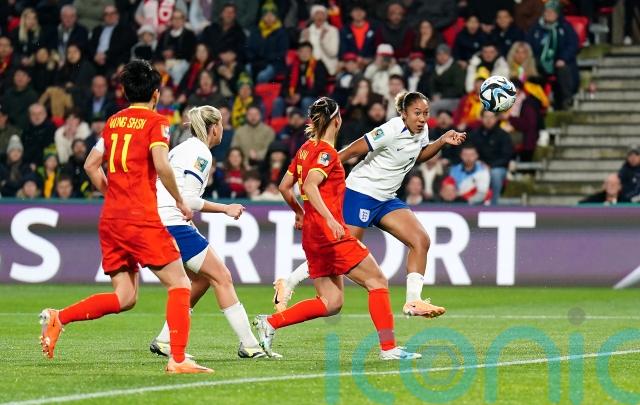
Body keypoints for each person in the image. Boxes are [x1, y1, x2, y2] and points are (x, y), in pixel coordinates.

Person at [38, 60, 212, 374]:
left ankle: (58, 317)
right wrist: (179, 200)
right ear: (156, 94)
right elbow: (162, 164)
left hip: (111, 219)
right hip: (140, 217)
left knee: (125, 297)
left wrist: (114, 195)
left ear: (125, 91)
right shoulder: (157, 122)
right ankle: (178, 359)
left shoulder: (113, 122)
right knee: (180, 283)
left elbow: (91, 165)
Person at [254, 97, 422, 360]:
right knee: (377, 281)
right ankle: (389, 348)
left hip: (312, 235)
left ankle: (270, 323)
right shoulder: (327, 153)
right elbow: (309, 185)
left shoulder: (305, 149)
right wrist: (330, 219)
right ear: (337, 120)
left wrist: (299, 212)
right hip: (330, 234)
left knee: (331, 302)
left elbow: (285, 187)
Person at [273, 91, 466, 318]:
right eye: (417, 113)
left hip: (387, 198)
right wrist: (323, 166)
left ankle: (413, 301)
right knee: (341, 253)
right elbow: (354, 149)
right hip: (360, 193)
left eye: (426, 113)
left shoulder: (422, 131)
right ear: (403, 113)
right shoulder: (390, 129)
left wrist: (441, 141)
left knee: (420, 240)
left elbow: (418, 155)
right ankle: (289, 282)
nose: (422, 118)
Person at [149, 105, 271, 359]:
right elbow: (189, 200)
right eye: (222, 124)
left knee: (202, 279)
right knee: (222, 277)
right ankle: (249, 345)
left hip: (161, 220)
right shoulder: (201, 153)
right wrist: (226, 208)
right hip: (173, 223)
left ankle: (164, 339)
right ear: (214, 128)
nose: (223, 129)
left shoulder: (182, 148)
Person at [526, 0, 579, 110]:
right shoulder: (536, 28)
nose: (548, 14)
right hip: (539, 61)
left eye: (552, 12)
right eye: (547, 12)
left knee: (564, 69)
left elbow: (572, 45)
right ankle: (534, 102)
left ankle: (566, 100)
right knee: (531, 68)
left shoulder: (565, 27)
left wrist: (563, 58)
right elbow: (528, 45)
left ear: (557, 14)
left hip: (558, 61)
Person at [469, 110, 514, 205]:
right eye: (486, 117)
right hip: (477, 165)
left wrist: (491, 166)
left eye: (492, 117)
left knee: (495, 174)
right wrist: (479, 163)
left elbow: (506, 157)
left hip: (497, 167)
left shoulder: (503, 135)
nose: (489, 120)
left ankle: (494, 205)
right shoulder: (474, 134)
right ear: (481, 118)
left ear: (496, 118)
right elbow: (468, 151)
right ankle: (469, 204)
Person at [300, 4, 339, 76]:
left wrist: (323, 41)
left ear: (326, 17)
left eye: (322, 14)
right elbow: (302, 55)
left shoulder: (332, 31)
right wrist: (306, 40)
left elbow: (333, 53)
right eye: (317, 14)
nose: (319, 17)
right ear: (312, 17)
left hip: (327, 67)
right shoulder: (306, 31)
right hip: (310, 67)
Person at [428, 44, 466, 115]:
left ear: (449, 55)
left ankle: (433, 122)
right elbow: (431, 85)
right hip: (437, 98)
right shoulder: (435, 68)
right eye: (439, 54)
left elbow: (458, 89)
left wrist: (441, 96)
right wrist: (433, 95)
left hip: (454, 99)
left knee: (431, 107)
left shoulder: (456, 68)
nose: (442, 57)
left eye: (445, 54)